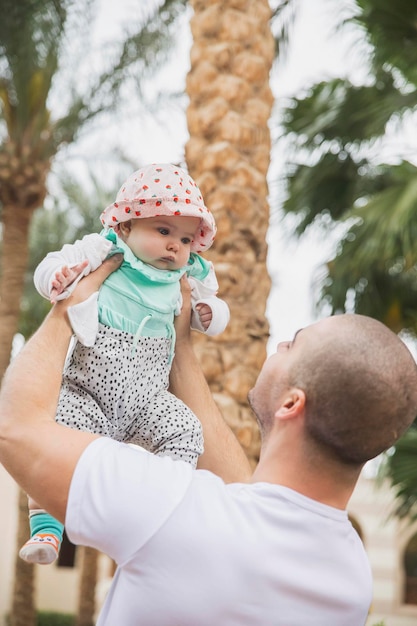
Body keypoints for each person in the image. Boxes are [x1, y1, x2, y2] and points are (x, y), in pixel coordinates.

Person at [1, 258, 417, 626]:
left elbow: (14, 427)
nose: (278, 345)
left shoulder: (169, 507)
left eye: (292, 344)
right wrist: (178, 345)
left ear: (292, 402)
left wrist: (69, 308)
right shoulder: (351, 581)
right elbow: (245, 498)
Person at [19, 162, 230, 565]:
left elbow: (216, 307)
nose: (175, 246)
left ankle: (162, 513)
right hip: (89, 389)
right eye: (163, 231)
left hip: (147, 396)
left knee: (186, 430)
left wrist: (209, 314)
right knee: (59, 428)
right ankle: (46, 527)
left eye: (185, 238)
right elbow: (51, 265)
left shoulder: (189, 273)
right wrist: (58, 279)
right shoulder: (104, 250)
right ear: (127, 226)